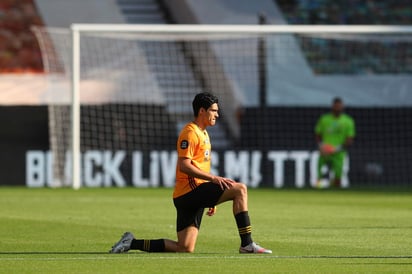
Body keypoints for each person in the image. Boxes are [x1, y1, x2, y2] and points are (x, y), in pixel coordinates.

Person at [109, 92, 271, 254]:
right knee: (240, 189)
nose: (217, 114)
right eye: (214, 110)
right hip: (190, 192)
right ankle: (247, 244)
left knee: (185, 247)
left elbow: (199, 166)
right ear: (202, 111)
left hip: (190, 194)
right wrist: (214, 179)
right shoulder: (190, 133)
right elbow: (184, 165)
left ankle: (131, 243)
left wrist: (211, 198)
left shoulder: (203, 133)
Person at [315, 97, 356, 187]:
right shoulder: (324, 119)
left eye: (339, 106)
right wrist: (321, 146)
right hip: (324, 152)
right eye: (336, 106)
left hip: (339, 153)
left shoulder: (348, 121)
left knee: (338, 176)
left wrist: (336, 149)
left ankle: (335, 192)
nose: (338, 108)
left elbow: (350, 139)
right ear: (332, 106)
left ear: (342, 107)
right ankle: (317, 191)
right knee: (319, 175)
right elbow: (318, 134)